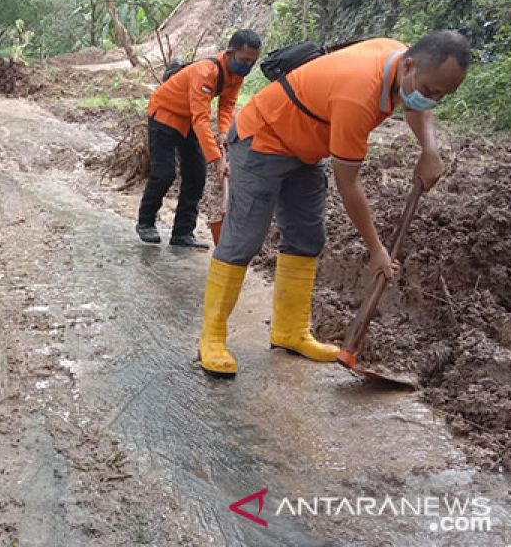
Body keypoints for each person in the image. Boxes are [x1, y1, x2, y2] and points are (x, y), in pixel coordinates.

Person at [197, 30, 470, 376]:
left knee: (308, 237)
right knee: (244, 239)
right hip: (262, 138)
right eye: (431, 91)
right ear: (409, 66)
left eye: (441, 96)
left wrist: (430, 150)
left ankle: (289, 332)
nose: (432, 100)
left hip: (306, 146)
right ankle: (212, 337)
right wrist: (377, 250)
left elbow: (417, 101)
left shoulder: (403, 62)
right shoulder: (360, 94)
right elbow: (349, 183)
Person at [137, 29, 262, 249]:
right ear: (230, 53)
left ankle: (182, 233)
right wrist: (216, 159)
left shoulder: (236, 75)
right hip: (165, 114)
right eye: (244, 60)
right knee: (164, 173)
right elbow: (201, 119)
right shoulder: (206, 72)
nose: (247, 66)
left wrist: (224, 132)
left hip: (189, 119)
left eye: (252, 62)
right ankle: (145, 222)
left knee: (196, 174)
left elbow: (227, 105)